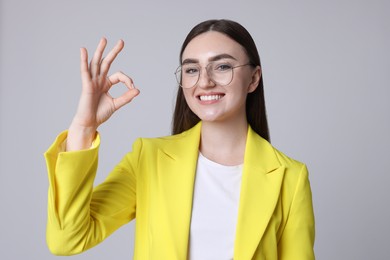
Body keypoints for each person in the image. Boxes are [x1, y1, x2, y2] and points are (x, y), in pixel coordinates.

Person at [44, 19, 315, 260]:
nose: (205, 81)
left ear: (253, 78)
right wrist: (83, 126)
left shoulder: (290, 177)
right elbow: (67, 240)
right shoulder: (149, 159)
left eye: (222, 66)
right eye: (192, 69)